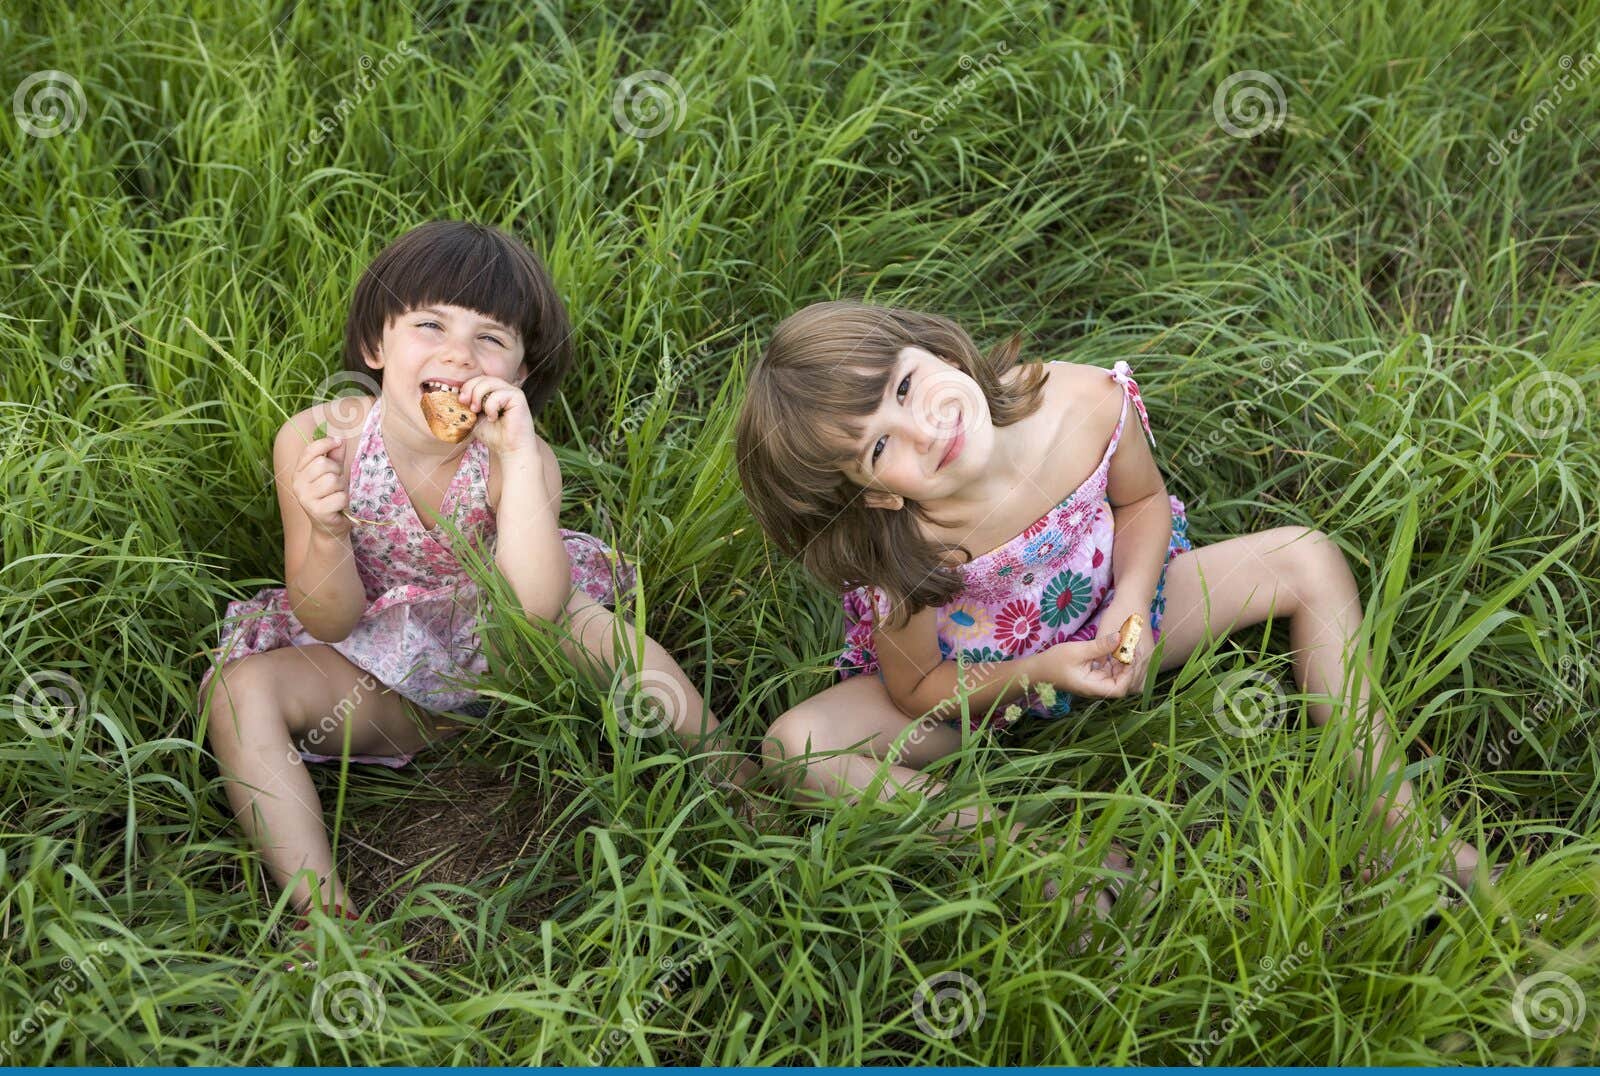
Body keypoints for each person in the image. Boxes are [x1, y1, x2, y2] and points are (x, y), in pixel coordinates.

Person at [735, 301, 1488, 930]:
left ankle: (1409, 828)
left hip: (1118, 611)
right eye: (879, 447)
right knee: (797, 745)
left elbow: (1143, 501)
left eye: (903, 387)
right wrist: (1031, 673)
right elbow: (916, 689)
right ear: (874, 493)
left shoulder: (1085, 402)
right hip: (985, 685)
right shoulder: (896, 544)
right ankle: (1051, 857)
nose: (925, 430)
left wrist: (1132, 605)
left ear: (931, 348)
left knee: (1304, 555)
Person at [198, 221, 741, 962]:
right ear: (375, 346)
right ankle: (320, 913)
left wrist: (516, 462)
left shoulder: (518, 456)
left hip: (510, 658)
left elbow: (534, 608)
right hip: (373, 669)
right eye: (430, 323)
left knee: (608, 636)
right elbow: (328, 616)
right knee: (237, 694)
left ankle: (735, 779)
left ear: (519, 373)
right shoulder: (319, 441)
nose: (458, 352)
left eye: (491, 337)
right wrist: (325, 534)